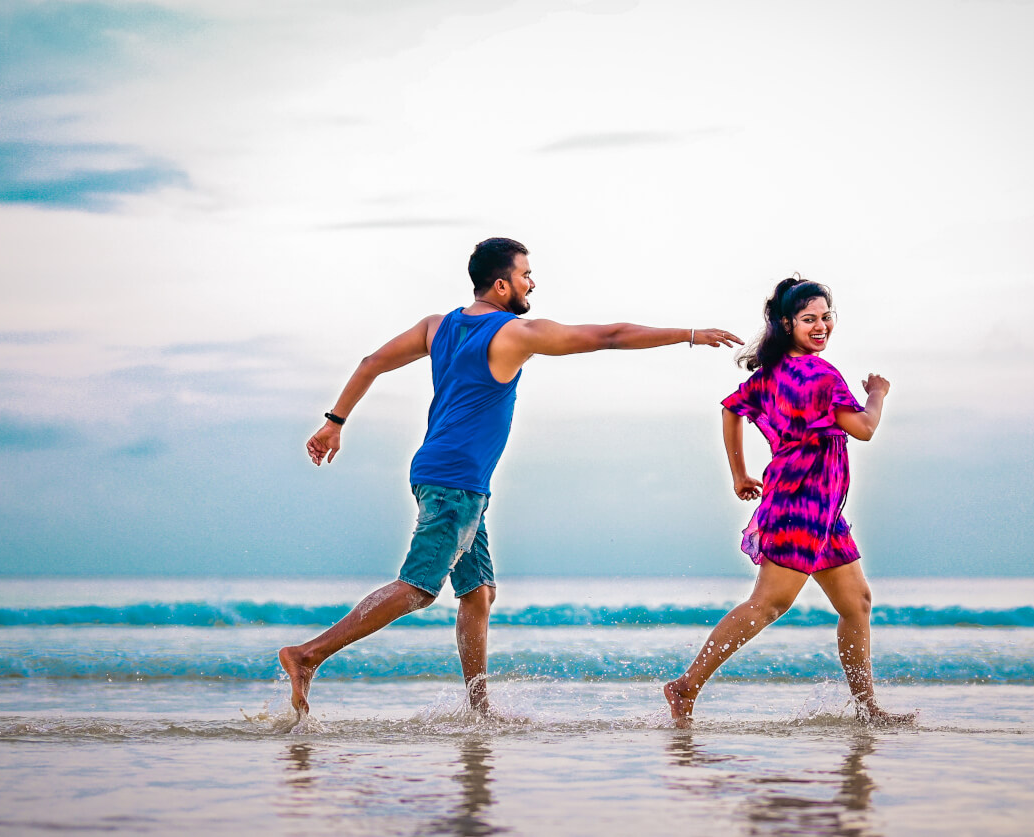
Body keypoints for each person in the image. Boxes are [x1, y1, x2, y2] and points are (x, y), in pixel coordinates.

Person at [279, 237, 741, 719]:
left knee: (478, 594)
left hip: (446, 475)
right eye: (525, 275)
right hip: (455, 482)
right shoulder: (514, 334)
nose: (532, 283)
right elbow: (610, 335)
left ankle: (479, 710)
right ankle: (308, 654)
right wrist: (688, 333)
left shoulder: (437, 326)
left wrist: (335, 422)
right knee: (417, 588)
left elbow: (371, 363)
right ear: (501, 285)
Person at [663, 276, 912, 726]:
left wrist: (740, 473)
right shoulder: (821, 374)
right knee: (769, 604)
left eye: (826, 317)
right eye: (809, 319)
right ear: (786, 323)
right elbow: (865, 428)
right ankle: (686, 687)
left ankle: (867, 709)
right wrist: (877, 392)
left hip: (823, 511)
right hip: (800, 503)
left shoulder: (771, 375)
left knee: (857, 603)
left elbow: (730, 409)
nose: (821, 327)